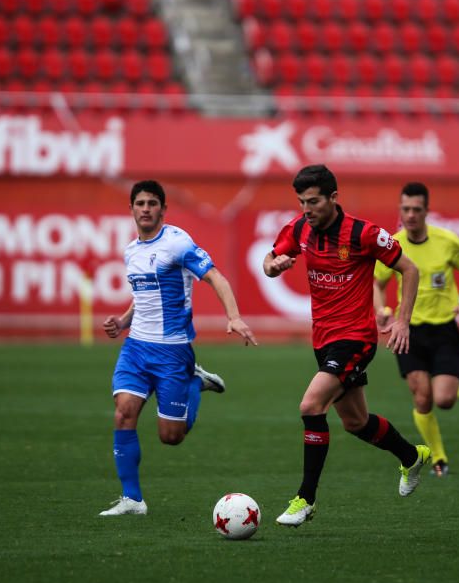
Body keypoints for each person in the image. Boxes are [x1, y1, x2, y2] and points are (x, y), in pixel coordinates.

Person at [262, 164, 431, 527]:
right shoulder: (299, 228)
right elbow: (269, 260)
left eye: (314, 201)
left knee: (310, 405)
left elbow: (410, 269)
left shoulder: (363, 233)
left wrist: (402, 320)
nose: (307, 209)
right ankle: (412, 456)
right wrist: (274, 266)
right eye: (302, 202)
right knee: (356, 423)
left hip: (356, 337)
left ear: (333, 198)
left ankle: (304, 499)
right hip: (322, 339)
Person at [99, 180, 258, 516]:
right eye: (139, 203)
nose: (145, 209)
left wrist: (234, 316)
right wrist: (125, 321)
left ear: (163, 209)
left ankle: (194, 381)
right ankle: (133, 500)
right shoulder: (131, 251)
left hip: (172, 351)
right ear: (131, 209)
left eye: (152, 203)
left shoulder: (177, 244)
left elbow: (215, 276)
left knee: (171, 436)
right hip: (137, 347)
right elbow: (143, 296)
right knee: (123, 412)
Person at [373, 182, 459, 477]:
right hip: (409, 332)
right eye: (405, 209)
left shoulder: (447, 241)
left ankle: (450, 387)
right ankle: (438, 457)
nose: (410, 215)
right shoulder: (392, 244)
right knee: (422, 397)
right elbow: (376, 282)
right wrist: (382, 310)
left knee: (443, 400)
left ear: (427, 211)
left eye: (416, 209)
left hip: (444, 329)